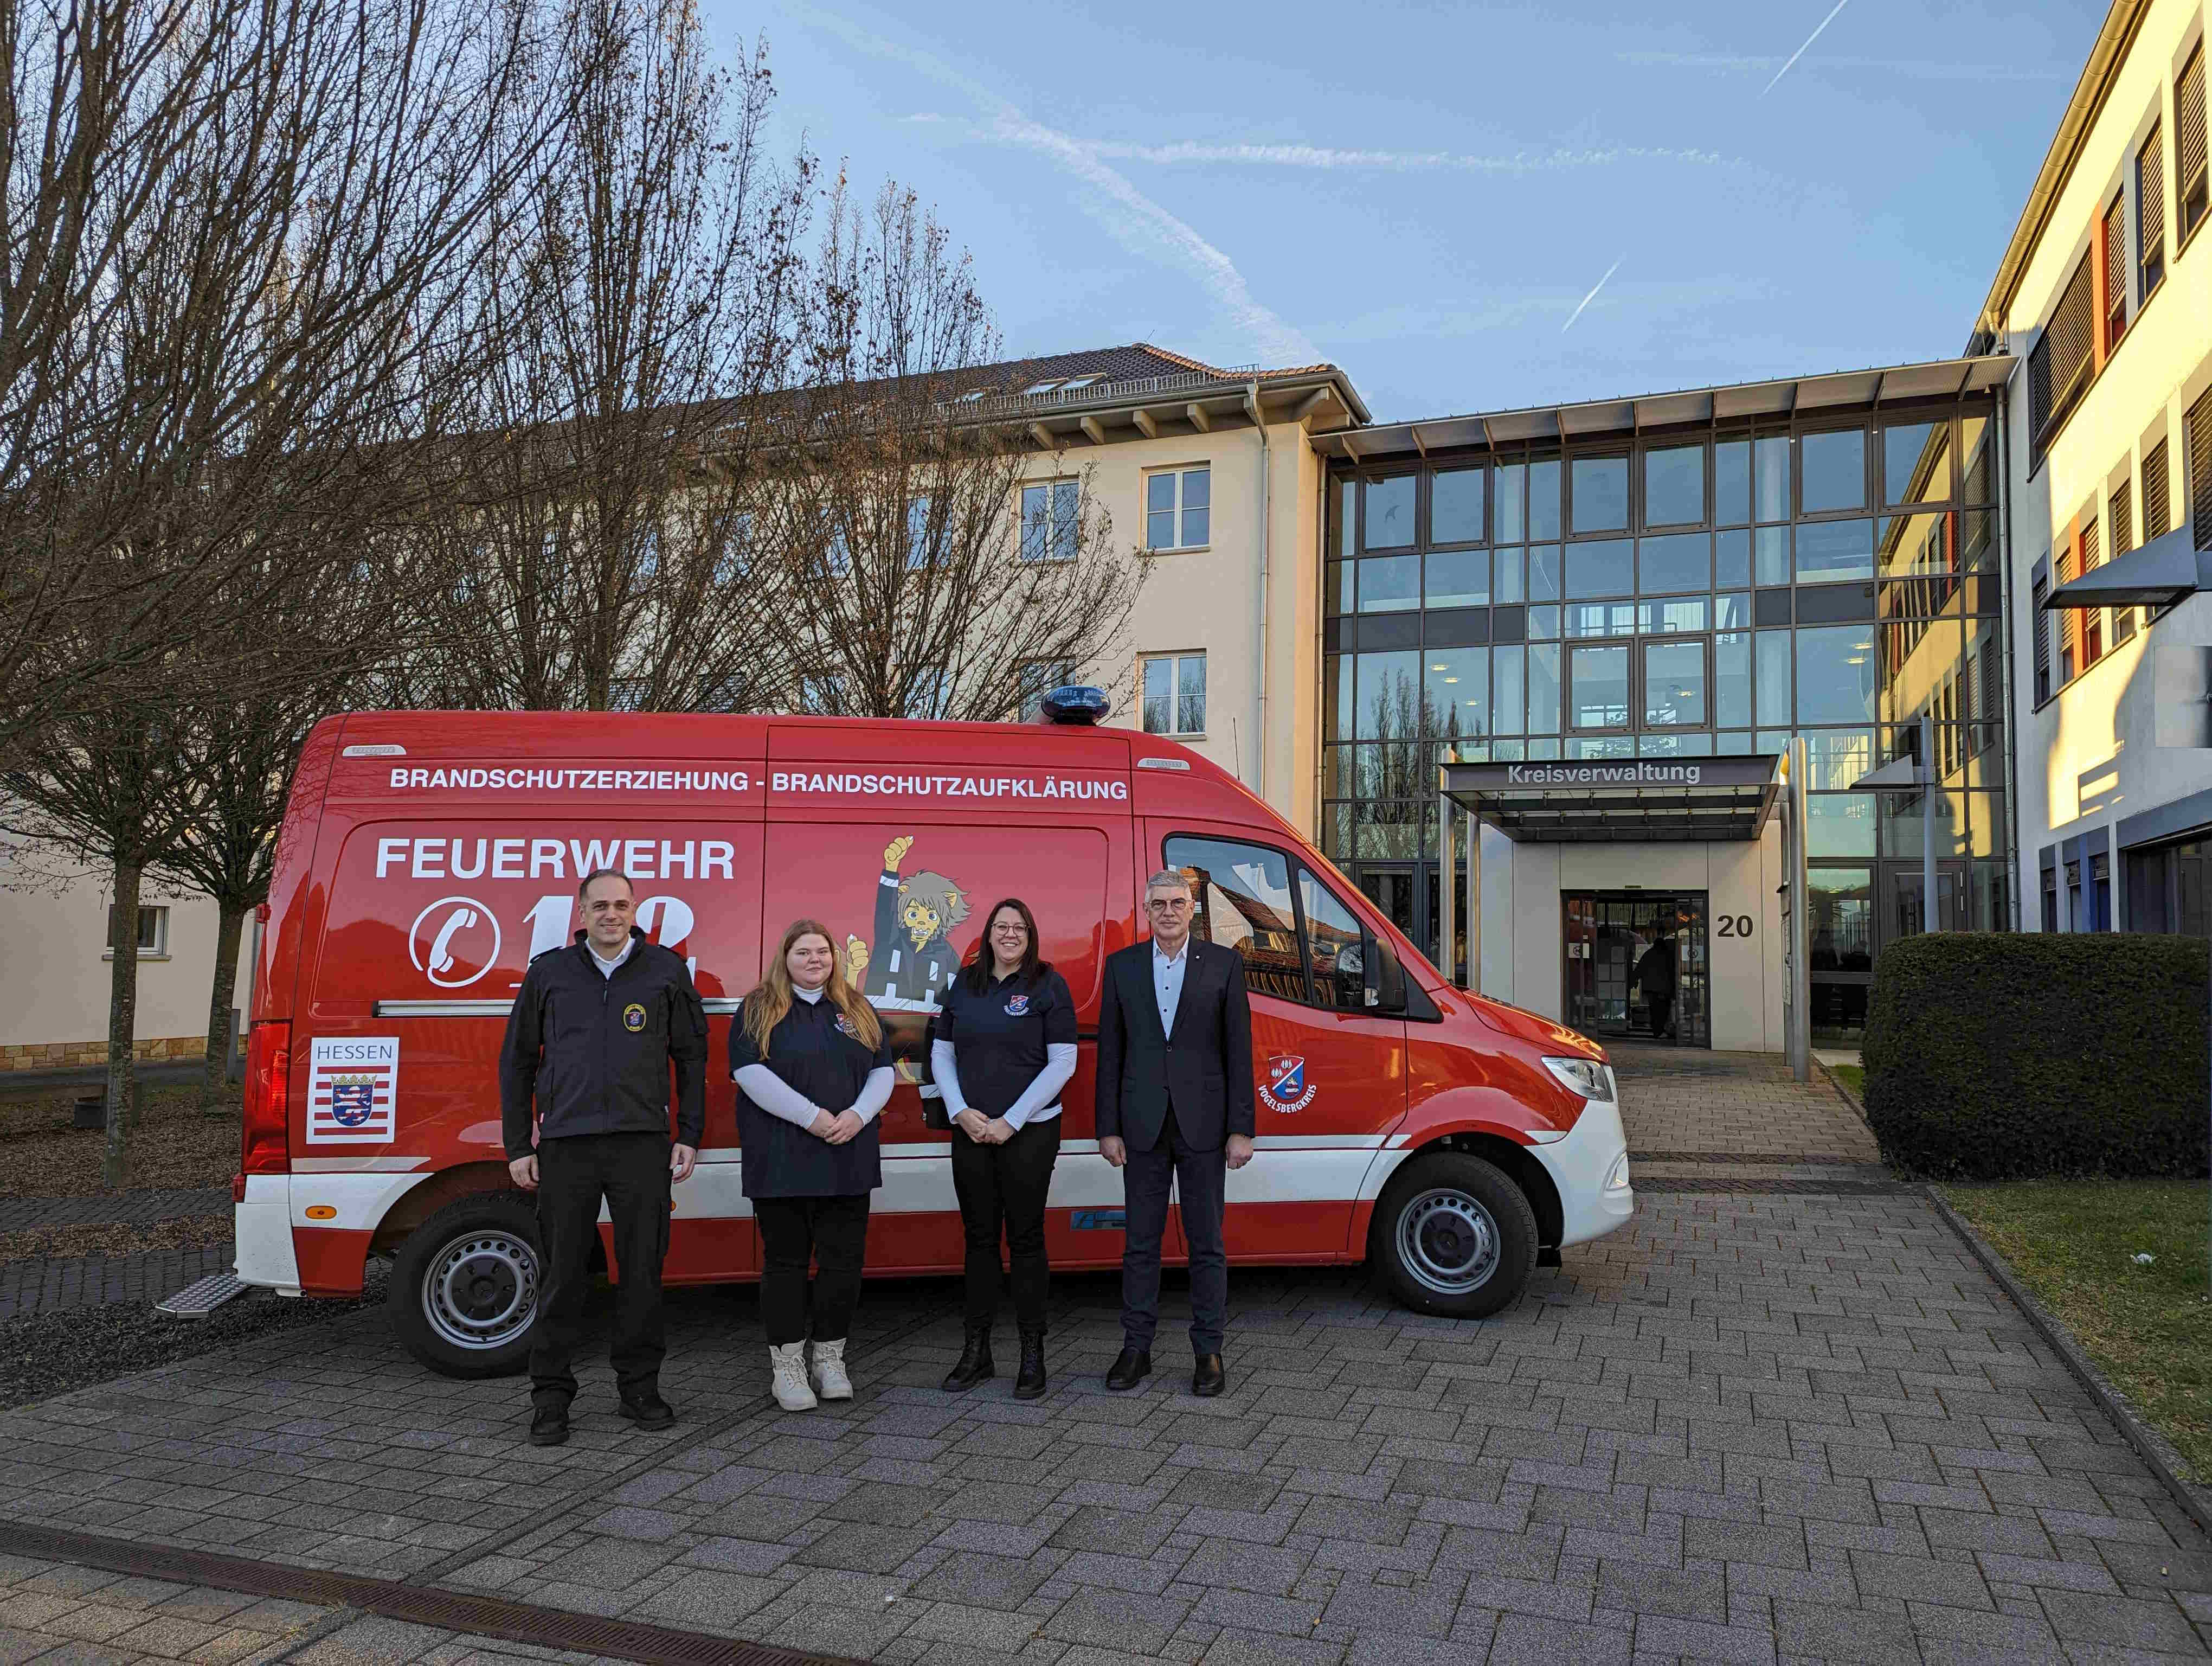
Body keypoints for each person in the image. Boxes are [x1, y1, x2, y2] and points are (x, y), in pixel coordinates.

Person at [499, 869, 705, 1448]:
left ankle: (639, 1388)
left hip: (643, 1143)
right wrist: (519, 1144)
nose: (611, 914)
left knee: (641, 1271)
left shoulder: (665, 969)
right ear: (582, 912)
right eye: (600, 906)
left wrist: (688, 1132)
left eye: (620, 904)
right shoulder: (550, 973)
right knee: (563, 1273)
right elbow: (516, 1061)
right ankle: (550, 1397)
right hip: (566, 1144)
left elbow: (692, 1057)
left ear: (634, 908)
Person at [1095, 869, 1254, 1398]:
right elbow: (1111, 1056)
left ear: (1193, 910)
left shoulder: (1225, 966)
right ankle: (1135, 1349)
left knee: (1207, 1244)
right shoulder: (1122, 968)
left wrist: (1241, 1130)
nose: (1168, 911)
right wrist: (1108, 1129)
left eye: (1177, 903)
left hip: (1205, 1126)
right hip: (1141, 1126)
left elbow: (1238, 1053)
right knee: (1140, 1245)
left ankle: (1208, 1351)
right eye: (1159, 903)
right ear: (1147, 911)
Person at [730, 919, 893, 1412]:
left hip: (848, 1152)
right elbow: (749, 1073)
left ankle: (830, 1359)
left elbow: (883, 1070)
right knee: (786, 1264)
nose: (814, 960)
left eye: (822, 952)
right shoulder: (758, 1007)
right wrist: (815, 1118)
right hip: (782, 1157)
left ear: (833, 958)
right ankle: (788, 1368)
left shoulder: (856, 1008)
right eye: (803, 952)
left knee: (843, 1264)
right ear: (786, 958)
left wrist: (858, 1116)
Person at [930, 898, 1077, 1399]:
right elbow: (941, 1053)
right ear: (988, 935)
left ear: (1030, 935)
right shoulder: (964, 985)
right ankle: (978, 1352)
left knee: (1028, 1240)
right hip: (971, 1131)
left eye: (1019, 928)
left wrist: (1011, 1121)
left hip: (1030, 1132)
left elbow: (1062, 1063)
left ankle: (1032, 1355)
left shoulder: (1048, 985)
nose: (1010, 935)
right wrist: (961, 1112)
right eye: (1001, 927)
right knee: (978, 1241)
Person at [1637, 935, 1677, 1041]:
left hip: (1652, 990)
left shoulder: (1649, 954)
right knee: (1664, 1011)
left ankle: (1657, 1031)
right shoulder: (1668, 955)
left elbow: (1640, 969)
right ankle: (1660, 1031)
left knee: (1655, 1011)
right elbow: (1673, 972)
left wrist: (1633, 981)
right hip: (1665, 989)